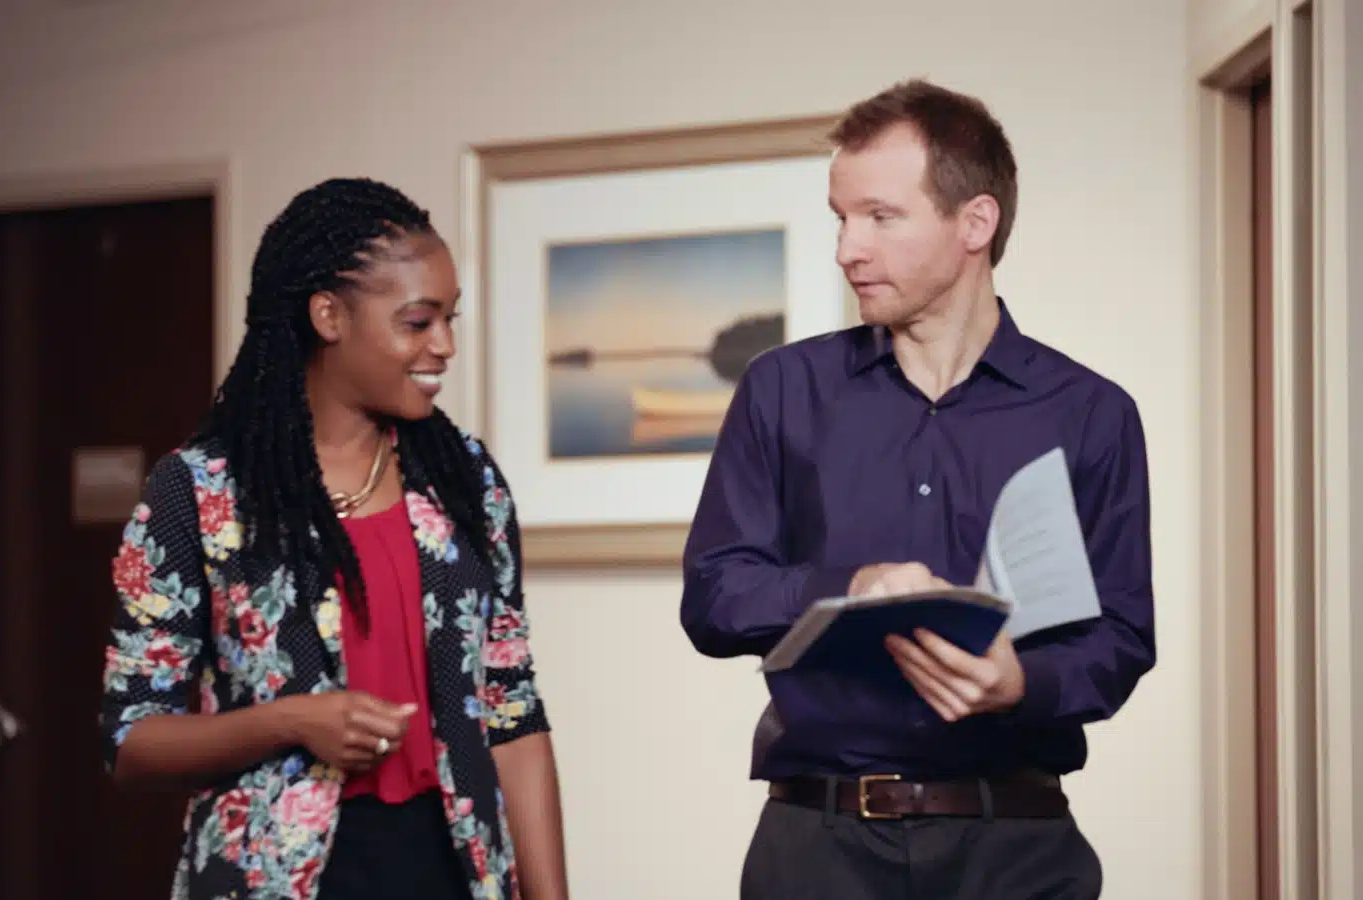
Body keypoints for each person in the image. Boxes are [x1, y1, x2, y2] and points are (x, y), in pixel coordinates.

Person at [680, 79, 1154, 899]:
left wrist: (1021, 686)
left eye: (879, 217)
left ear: (975, 223)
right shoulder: (781, 388)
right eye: (840, 218)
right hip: (814, 851)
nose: (846, 249)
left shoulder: (1093, 414)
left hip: (1017, 853)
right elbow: (715, 596)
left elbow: (1120, 638)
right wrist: (847, 589)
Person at [99, 178, 569, 900]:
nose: (443, 345)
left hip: (453, 870)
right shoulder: (198, 493)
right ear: (329, 316)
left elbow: (514, 715)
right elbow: (132, 743)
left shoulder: (465, 481)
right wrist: (289, 722)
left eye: (450, 319)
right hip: (273, 878)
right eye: (418, 321)